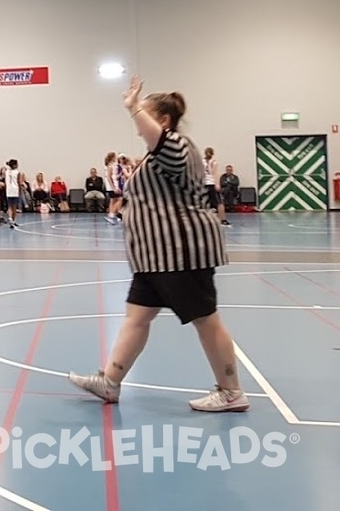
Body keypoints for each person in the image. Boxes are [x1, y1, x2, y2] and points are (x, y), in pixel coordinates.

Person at [69, 77, 247, 412]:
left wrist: (133, 106)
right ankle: (110, 382)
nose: (138, 130)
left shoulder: (176, 147)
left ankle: (231, 391)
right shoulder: (157, 156)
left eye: (144, 120)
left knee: (206, 320)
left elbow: (155, 139)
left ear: (162, 121)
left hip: (180, 254)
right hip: (153, 258)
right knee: (136, 317)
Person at [203, 147, 231, 226]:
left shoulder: (202, 162)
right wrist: (217, 184)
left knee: (205, 202)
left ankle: (206, 220)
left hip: (205, 183)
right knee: (220, 202)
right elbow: (215, 173)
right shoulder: (213, 162)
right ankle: (223, 219)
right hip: (211, 183)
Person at [4, 159, 23, 228]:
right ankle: (13, 220)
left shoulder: (6, 172)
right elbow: (19, 183)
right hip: (15, 190)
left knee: (9, 206)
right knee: (14, 207)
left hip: (8, 190)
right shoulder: (18, 172)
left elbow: (6, 182)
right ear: (15, 165)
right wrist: (20, 191)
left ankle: (10, 217)